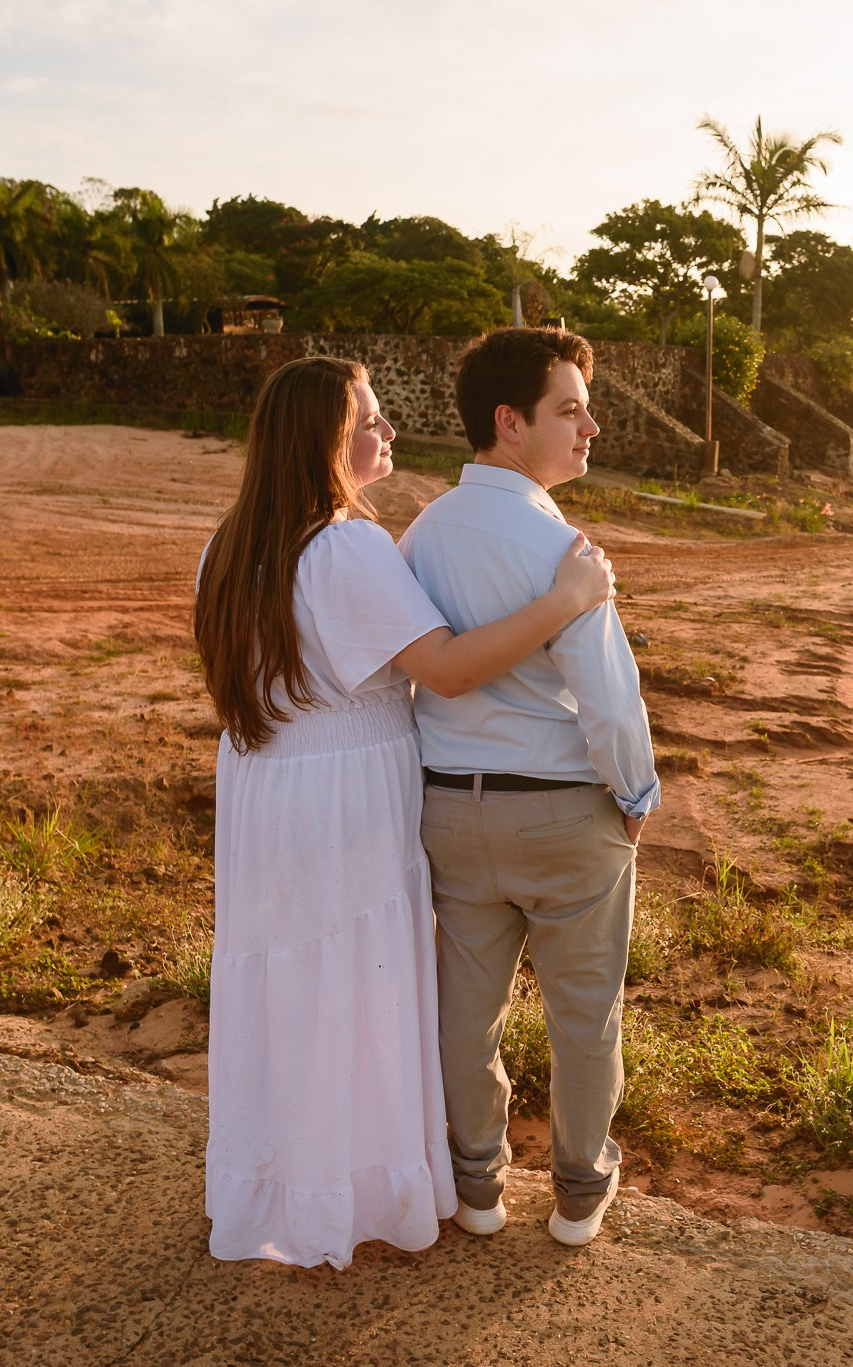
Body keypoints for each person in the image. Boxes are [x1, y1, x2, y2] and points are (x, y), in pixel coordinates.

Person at [192, 354, 616, 1269]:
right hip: (344, 790)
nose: (388, 433)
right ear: (322, 441)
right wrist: (564, 599)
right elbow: (452, 668)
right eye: (370, 422)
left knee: (287, 982)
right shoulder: (344, 545)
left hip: (267, 786)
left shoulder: (225, 546)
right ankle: (353, 1189)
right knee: (356, 980)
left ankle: (277, 1178)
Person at [398, 327, 658, 1248]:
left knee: (466, 1011)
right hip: (559, 812)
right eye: (570, 408)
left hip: (450, 811)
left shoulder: (422, 531)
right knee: (584, 1012)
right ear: (510, 423)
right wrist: (635, 792)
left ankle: (477, 1188)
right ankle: (580, 1197)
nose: (592, 424)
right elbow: (609, 697)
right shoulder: (563, 548)